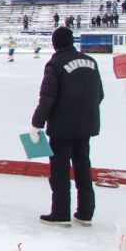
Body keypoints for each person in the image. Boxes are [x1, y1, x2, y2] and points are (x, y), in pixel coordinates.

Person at [30, 27, 104, 227]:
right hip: (86, 125)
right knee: (83, 167)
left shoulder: (55, 64)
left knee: (60, 171)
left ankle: (61, 213)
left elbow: (47, 98)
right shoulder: (91, 62)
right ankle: (85, 213)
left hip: (62, 128)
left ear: (55, 44)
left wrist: (37, 123)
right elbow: (100, 94)